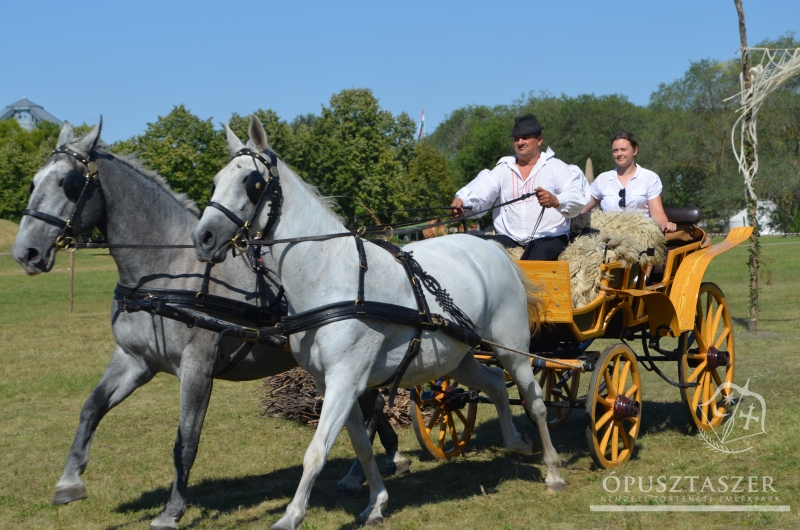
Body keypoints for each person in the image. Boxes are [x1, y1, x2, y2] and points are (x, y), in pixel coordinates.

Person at [450, 114, 588, 261]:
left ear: (539, 140)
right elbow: (482, 189)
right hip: (510, 238)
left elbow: (577, 197)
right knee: (467, 246)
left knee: (534, 264)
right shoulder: (504, 168)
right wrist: (462, 201)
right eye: (516, 138)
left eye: (525, 137)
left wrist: (556, 200)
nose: (520, 142)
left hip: (548, 238)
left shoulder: (556, 167)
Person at [581, 131, 676, 233]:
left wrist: (665, 225)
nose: (619, 154)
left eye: (623, 150)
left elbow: (657, 212)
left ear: (635, 150)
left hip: (640, 236)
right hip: (609, 236)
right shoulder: (603, 179)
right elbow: (582, 206)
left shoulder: (650, 178)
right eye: (615, 150)